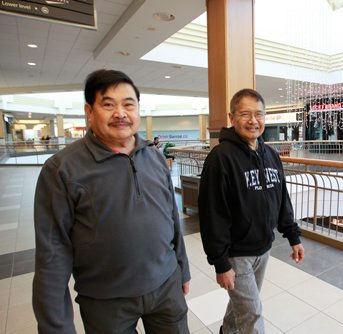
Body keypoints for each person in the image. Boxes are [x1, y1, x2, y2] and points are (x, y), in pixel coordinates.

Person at [32, 69, 191, 334]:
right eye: (108, 104)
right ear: (89, 111)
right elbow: (52, 252)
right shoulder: (62, 169)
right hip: (105, 302)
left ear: (138, 110)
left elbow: (171, 219)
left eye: (128, 104)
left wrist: (182, 270)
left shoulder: (154, 158)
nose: (120, 113)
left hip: (165, 287)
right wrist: (55, 326)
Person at [198, 88, 305, 334]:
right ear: (232, 117)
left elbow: (282, 199)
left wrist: (293, 236)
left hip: (263, 248)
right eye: (245, 114)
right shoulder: (220, 158)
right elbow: (212, 214)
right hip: (237, 254)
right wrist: (221, 263)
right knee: (252, 313)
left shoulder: (270, 155)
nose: (253, 121)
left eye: (259, 114)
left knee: (242, 307)